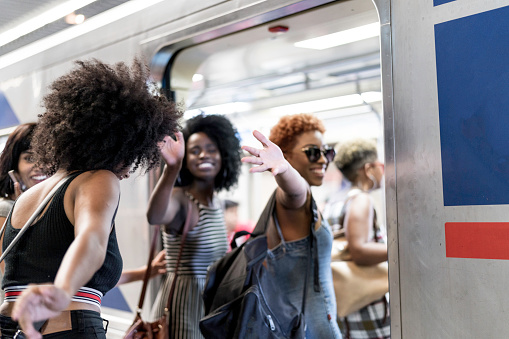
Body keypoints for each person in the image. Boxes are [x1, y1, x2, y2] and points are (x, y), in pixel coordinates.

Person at [0, 58, 182, 339]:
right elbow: (92, 240)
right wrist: (60, 292)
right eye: (133, 155)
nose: (129, 169)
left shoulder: (27, 198)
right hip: (68, 329)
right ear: (122, 143)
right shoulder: (98, 179)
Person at [243, 113, 342, 338]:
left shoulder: (300, 207)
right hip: (310, 330)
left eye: (327, 152)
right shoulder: (292, 201)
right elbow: (295, 191)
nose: (323, 160)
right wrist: (285, 169)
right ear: (286, 155)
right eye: (312, 152)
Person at [146, 113, 242, 338]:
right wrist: (172, 168)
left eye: (211, 149)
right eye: (195, 150)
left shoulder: (217, 204)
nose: (203, 155)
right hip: (183, 307)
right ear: (186, 159)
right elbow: (155, 216)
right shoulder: (182, 199)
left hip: (209, 306)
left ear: (223, 154)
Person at [333, 138, 390, 339]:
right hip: (367, 306)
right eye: (380, 166)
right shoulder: (361, 199)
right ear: (368, 169)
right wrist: (402, 248)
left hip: (347, 302)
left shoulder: (337, 200)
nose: (383, 171)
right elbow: (359, 250)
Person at [0, 123, 46, 226]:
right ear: (14, 166)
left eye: (47, 157)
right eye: (30, 158)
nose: (41, 166)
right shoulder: (5, 209)